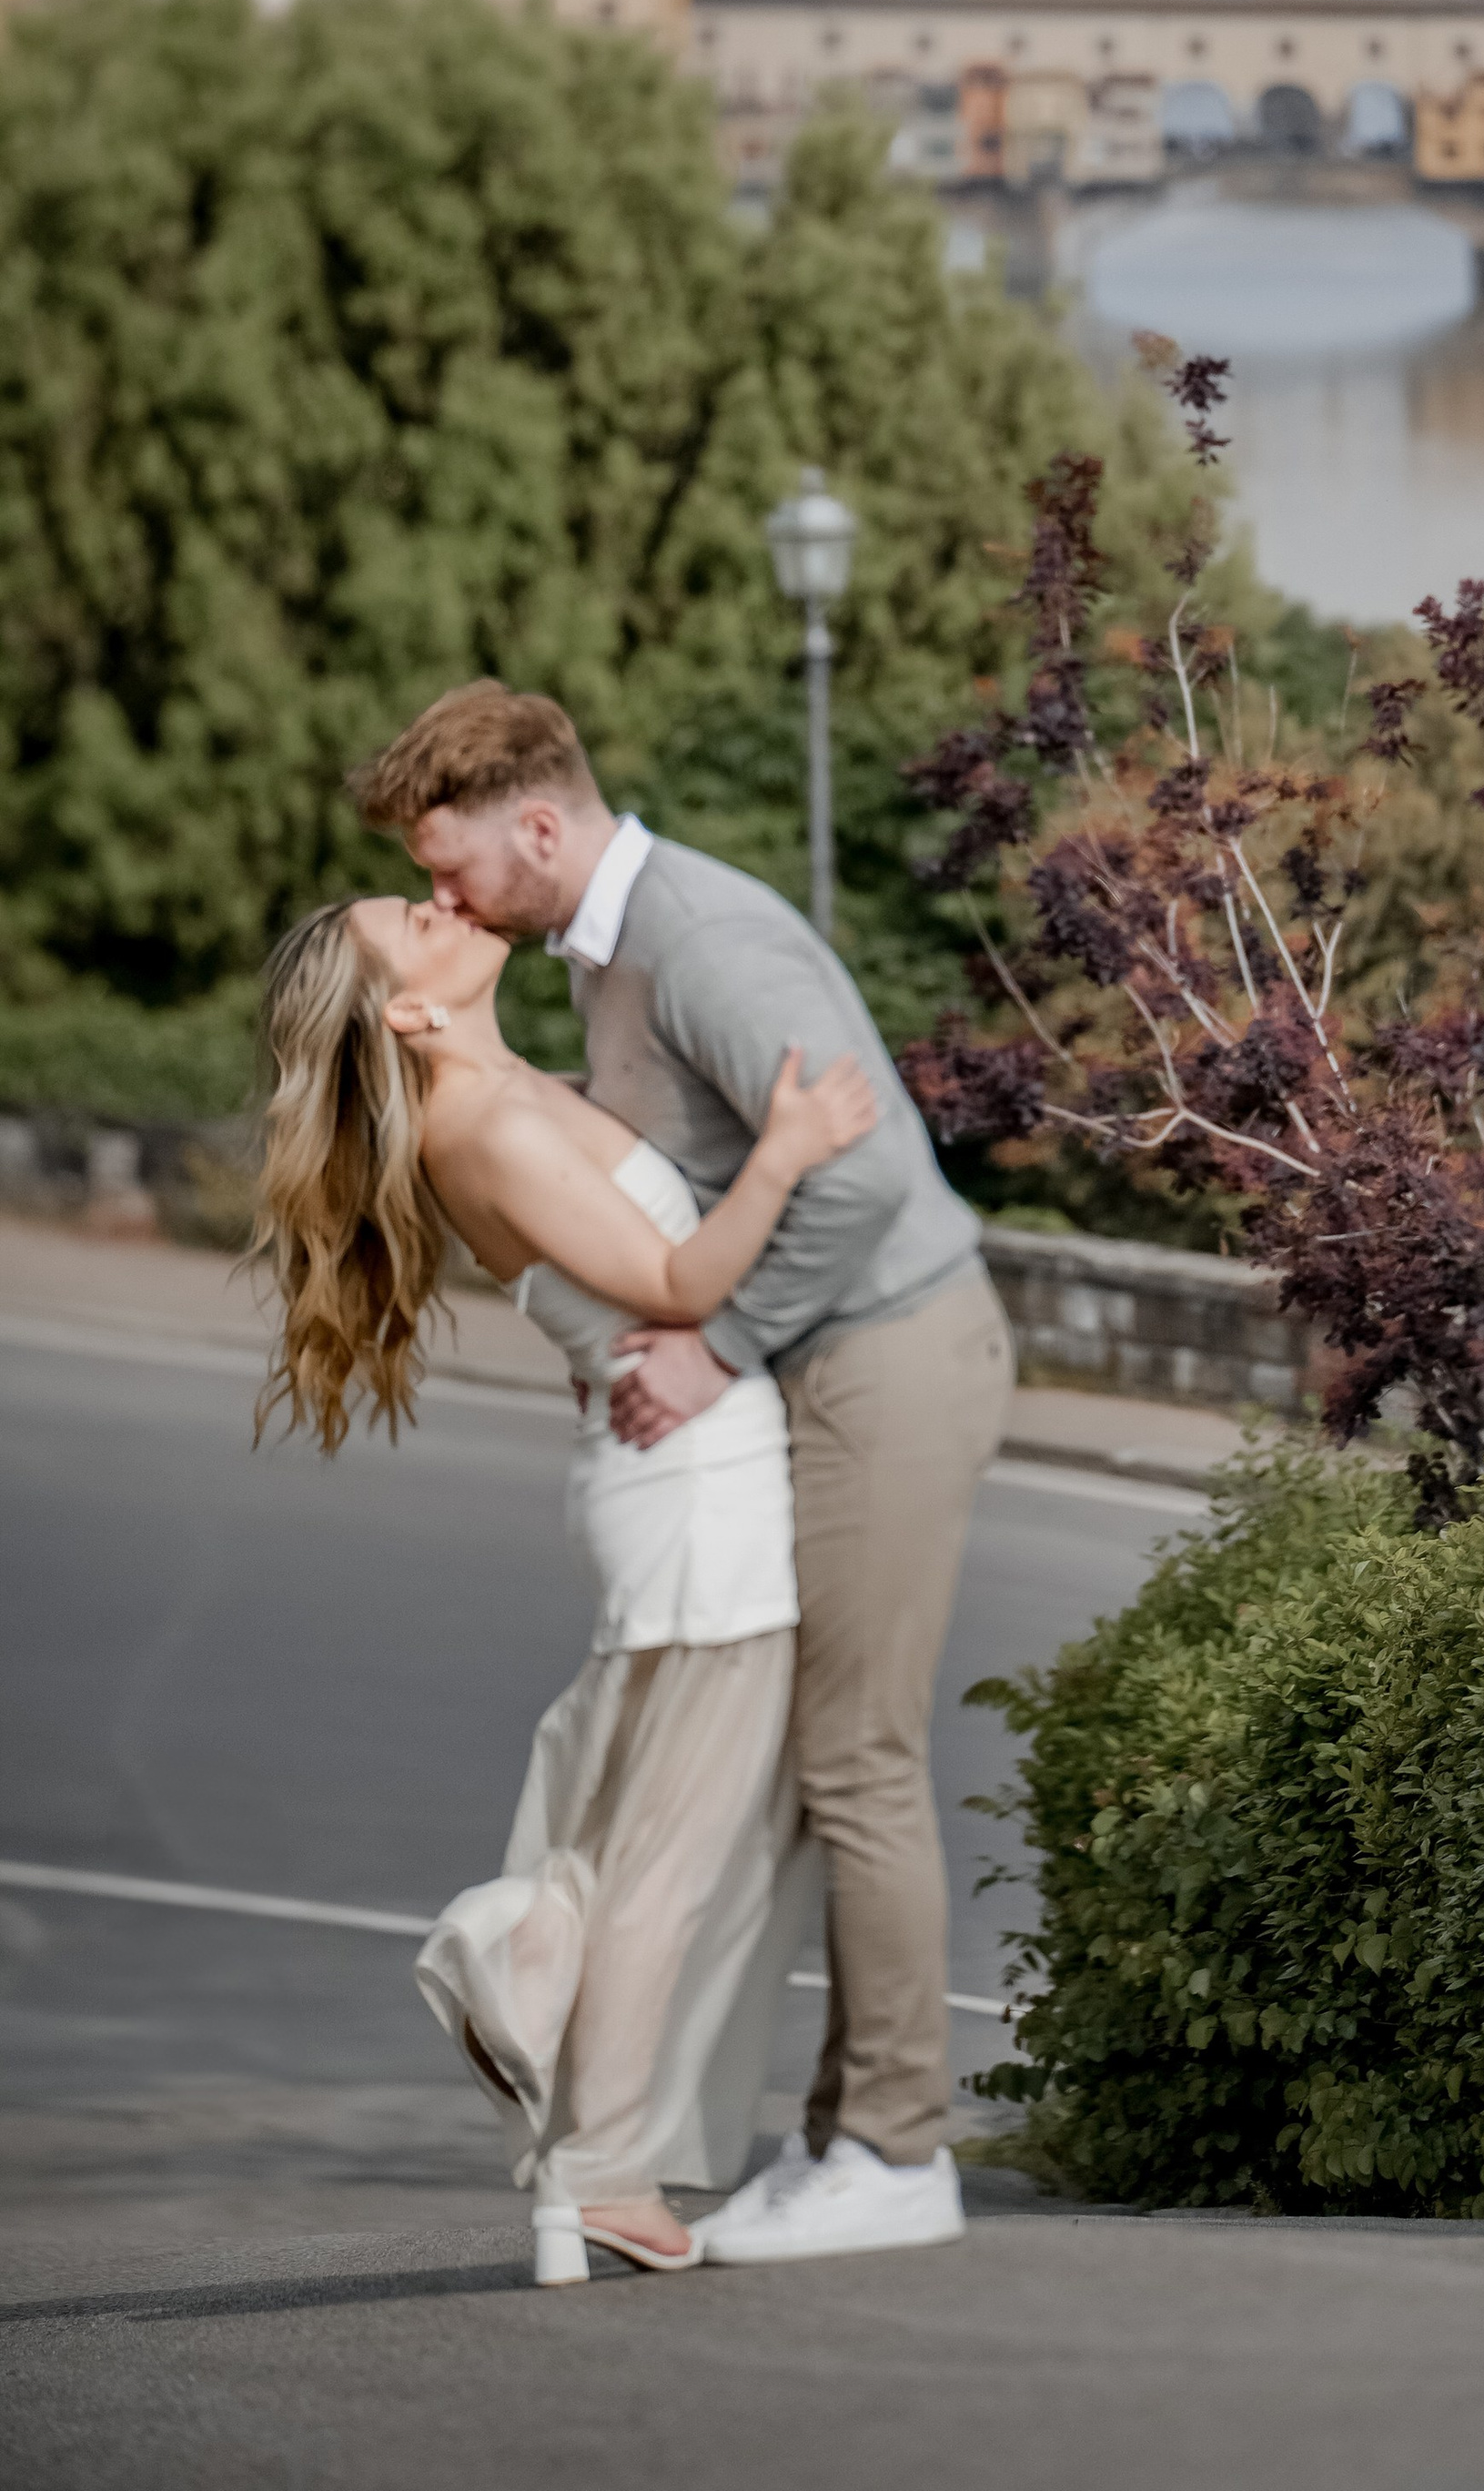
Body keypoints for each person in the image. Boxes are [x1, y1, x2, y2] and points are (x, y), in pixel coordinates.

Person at [346, 681, 1017, 2266]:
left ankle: (894, 2153)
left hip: (887, 1359)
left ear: (537, 826)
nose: (444, 901)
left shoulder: (701, 942)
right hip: (816, 1372)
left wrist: (721, 1348)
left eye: (451, 872)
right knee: (796, 1771)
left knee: (851, 1763)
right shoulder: (598, 968)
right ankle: (841, 2139)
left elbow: (852, 1177)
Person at [252, 888, 879, 2283]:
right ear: (409, 1011)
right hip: (698, 1506)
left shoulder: (510, 1094)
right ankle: (596, 2165)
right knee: (675, 1852)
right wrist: (784, 1155)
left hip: (680, 1488)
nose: (439, 901)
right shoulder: (487, 1125)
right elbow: (676, 1279)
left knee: (655, 1825)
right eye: (408, 920)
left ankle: (541, 2019)